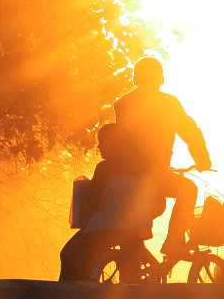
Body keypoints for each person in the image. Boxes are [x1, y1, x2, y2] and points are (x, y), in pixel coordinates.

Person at [112, 57, 212, 256]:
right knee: (188, 190)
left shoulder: (122, 103)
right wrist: (202, 160)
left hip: (124, 176)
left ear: (135, 79)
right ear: (161, 79)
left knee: (156, 205)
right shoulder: (168, 104)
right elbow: (190, 131)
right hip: (153, 175)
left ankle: (134, 243)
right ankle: (173, 243)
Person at [59, 123, 162, 281]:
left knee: (67, 254)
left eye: (102, 142)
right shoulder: (146, 169)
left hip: (102, 231)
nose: (99, 147)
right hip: (135, 231)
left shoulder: (104, 168)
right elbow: (156, 206)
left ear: (115, 142)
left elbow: (94, 203)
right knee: (132, 259)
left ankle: (67, 295)